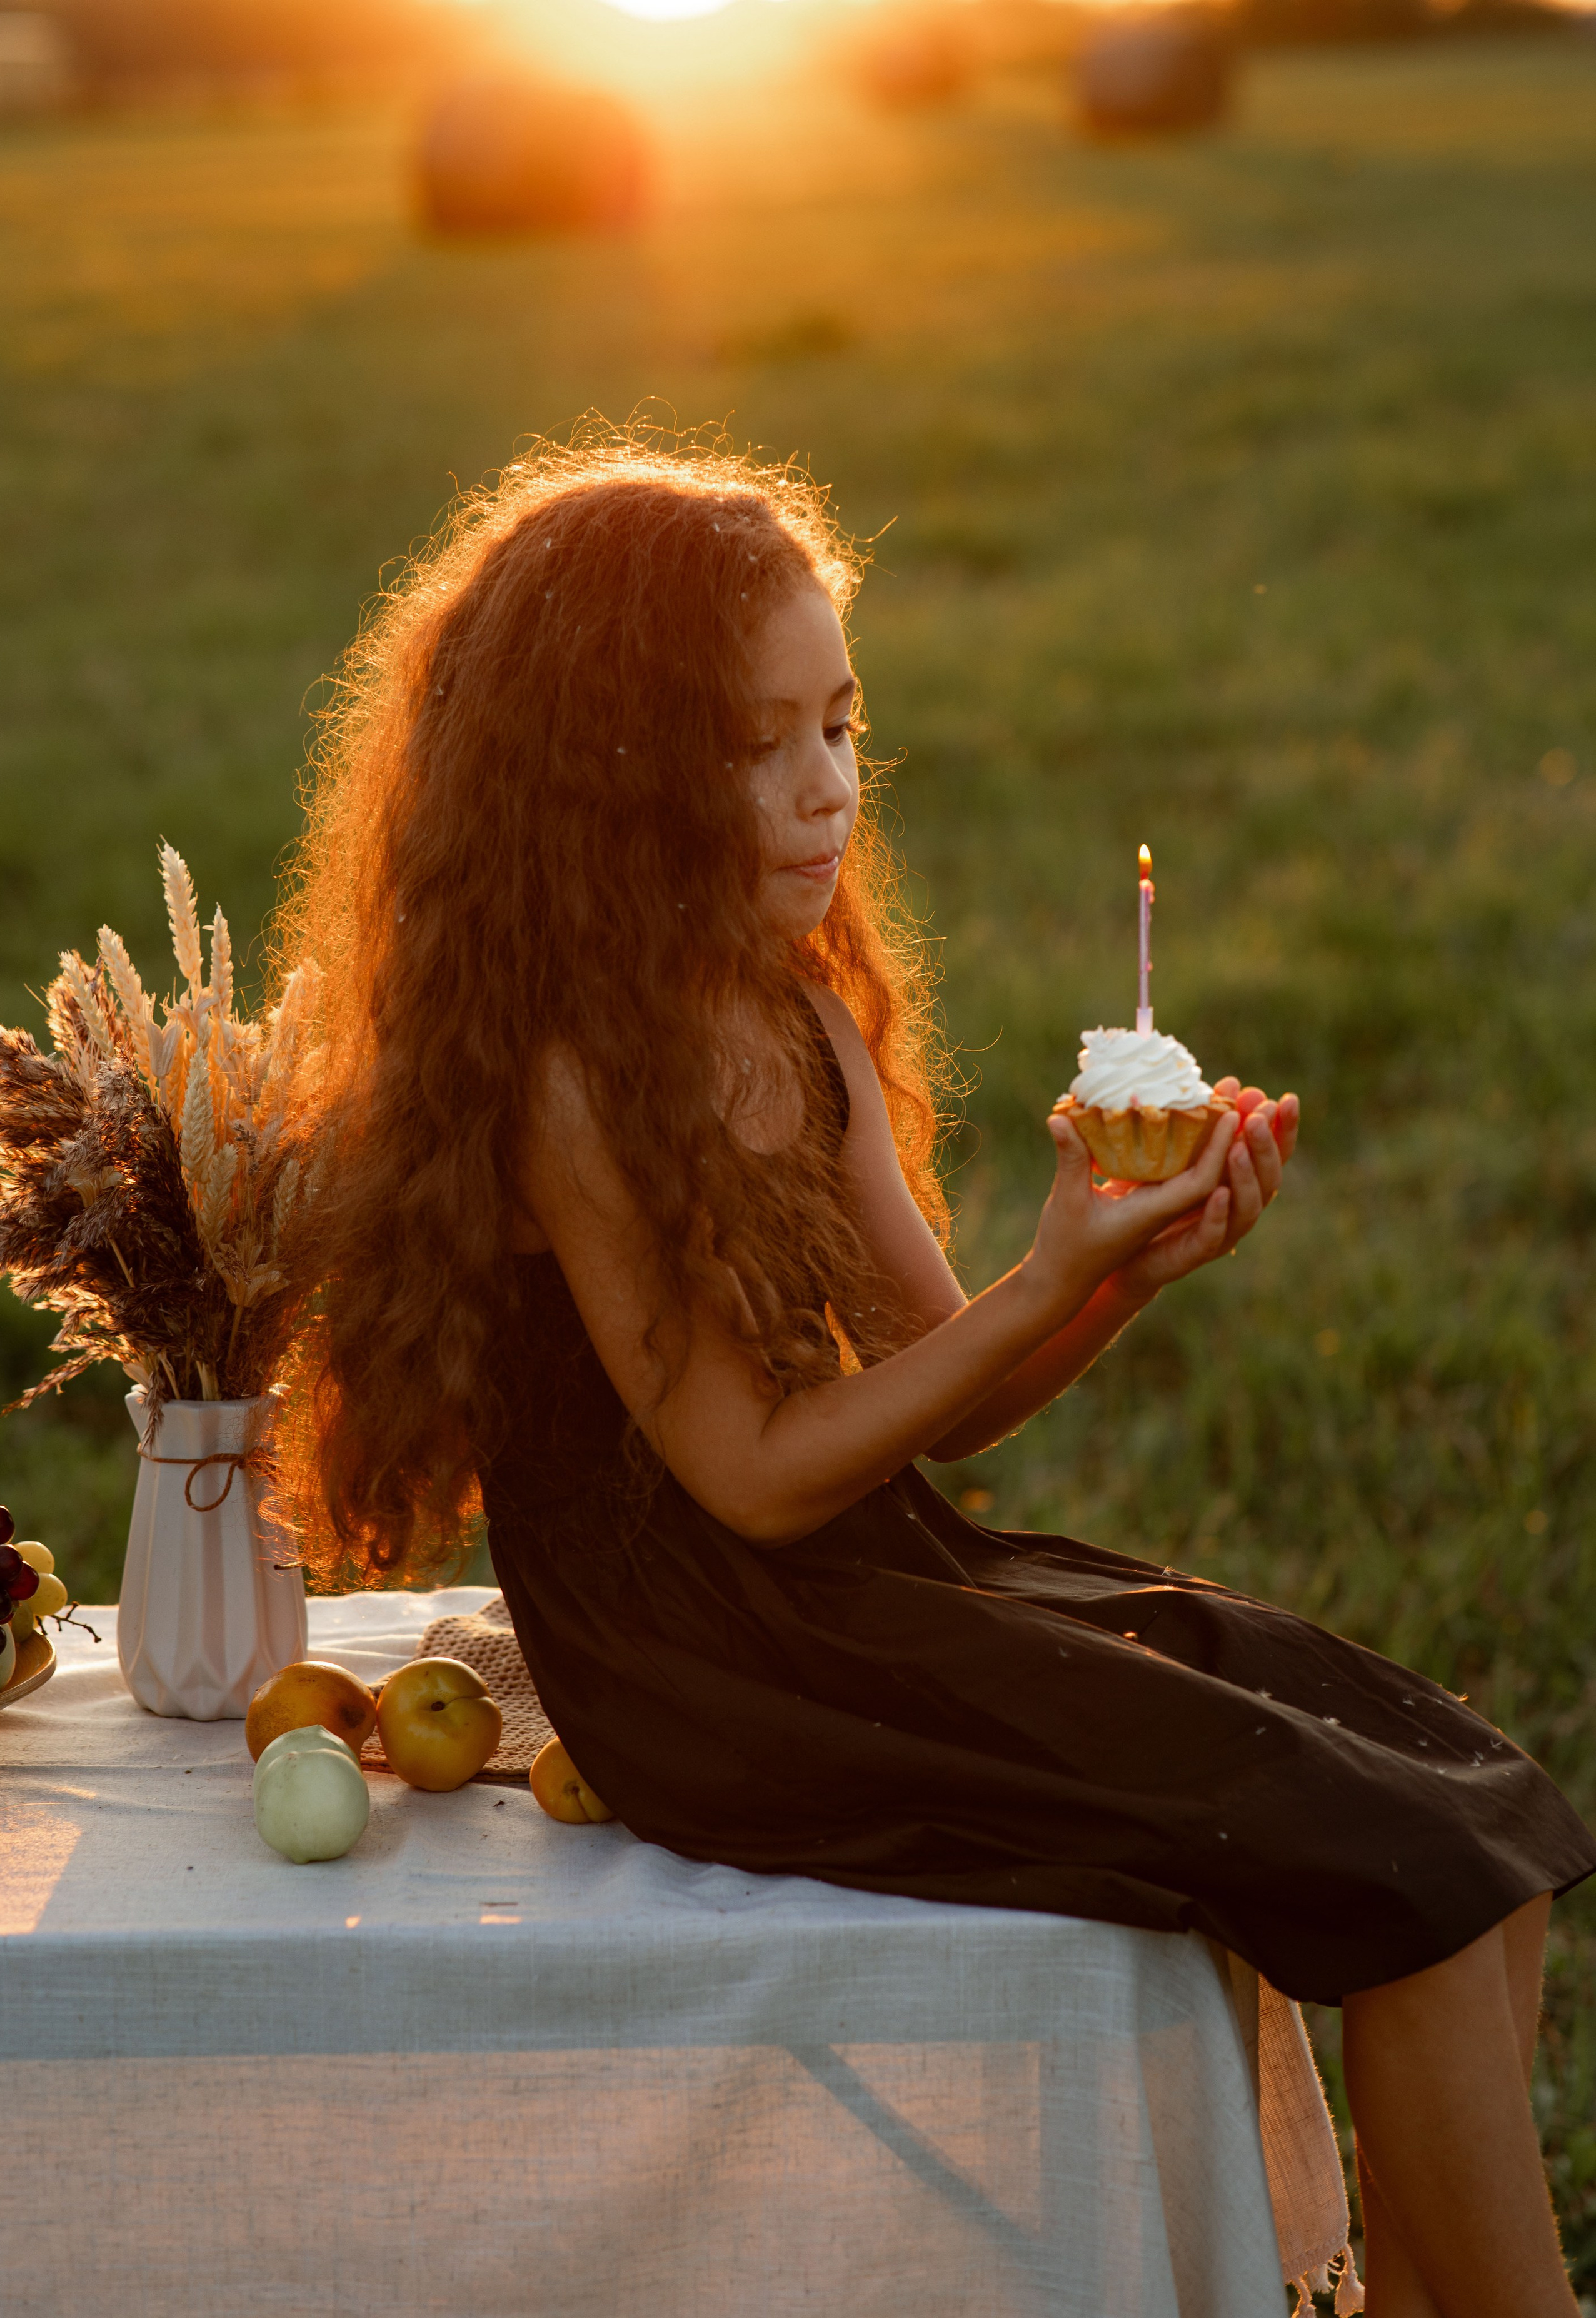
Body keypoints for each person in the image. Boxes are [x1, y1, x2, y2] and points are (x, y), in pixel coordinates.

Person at [277, 435, 1594, 2318]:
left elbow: (938, 1379)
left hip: (861, 1576)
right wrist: (1045, 1278)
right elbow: (743, 1471)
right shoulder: (570, 1076)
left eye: (843, 722)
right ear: (611, 778)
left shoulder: (799, 1014)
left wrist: (1118, 1272)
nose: (829, 791)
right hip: (707, 1662)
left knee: (1477, 1808)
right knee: (1385, 1851)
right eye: (763, 743)